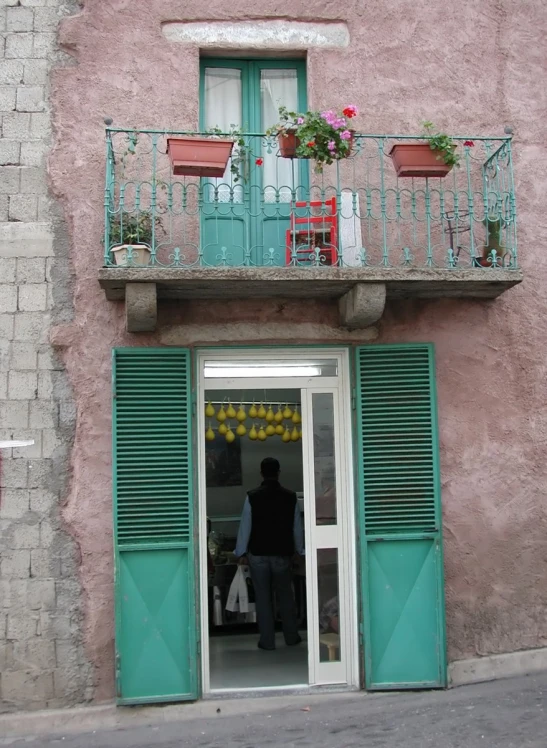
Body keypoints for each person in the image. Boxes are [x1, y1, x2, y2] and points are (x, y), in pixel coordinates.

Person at [234, 457, 304, 651]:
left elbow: (245, 527)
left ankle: (267, 641)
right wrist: (300, 550)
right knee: (286, 596)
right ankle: (291, 637)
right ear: (278, 472)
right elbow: (296, 527)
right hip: (282, 554)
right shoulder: (290, 497)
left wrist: (240, 552)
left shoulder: (252, 496)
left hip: (258, 554)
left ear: (261, 473)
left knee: (263, 598)